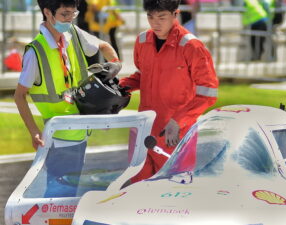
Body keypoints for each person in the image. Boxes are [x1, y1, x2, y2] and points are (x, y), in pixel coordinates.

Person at [14, 0, 121, 196]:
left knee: (67, 196)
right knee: (58, 198)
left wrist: (115, 63)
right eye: (65, 14)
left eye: (74, 13)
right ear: (48, 12)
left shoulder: (73, 33)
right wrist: (33, 131)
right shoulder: (35, 52)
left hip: (80, 133)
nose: (70, 19)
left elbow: (104, 45)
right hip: (58, 138)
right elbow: (19, 96)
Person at [119, 0, 219, 184]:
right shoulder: (142, 41)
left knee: (173, 193)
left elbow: (208, 92)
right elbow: (143, 76)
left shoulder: (192, 47)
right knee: (136, 188)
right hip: (144, 129)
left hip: (175, 133)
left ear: (175, 14)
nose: (155, 23)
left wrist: (178, 121)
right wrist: (117, 87)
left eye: (161, 17)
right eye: (150, 17)